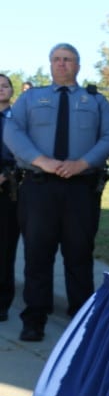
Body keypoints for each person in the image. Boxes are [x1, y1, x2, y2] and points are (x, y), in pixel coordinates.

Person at [3, 44, 109, 341]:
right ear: (50, 64)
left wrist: (82, 163)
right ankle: (34, 318)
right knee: (37, 254)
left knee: (79, 254)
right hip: (39, 187)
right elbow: (13, 133)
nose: (62, 64)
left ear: (78, 65)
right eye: (56, 59)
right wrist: (45, 162)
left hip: (81, 189)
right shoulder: (30, 98)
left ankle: (81, 317)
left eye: (68, 60)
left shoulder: (95, 101)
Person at [0, 74, 18, 321]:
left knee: (4, 248)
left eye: (5, 85)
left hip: (9, 188)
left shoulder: (20, 119)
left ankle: (2, 302)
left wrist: (6, 174)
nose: (1, 89)